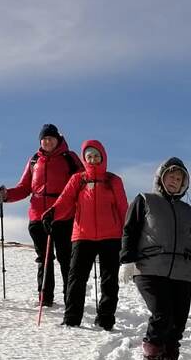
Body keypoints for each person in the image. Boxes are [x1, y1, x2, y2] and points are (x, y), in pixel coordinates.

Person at [120, 157, 191, 360]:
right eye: (171, 176)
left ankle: (168, 359)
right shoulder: (144, 200)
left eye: (179, 179)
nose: (174, 181)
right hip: (150, 268)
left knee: (178, 320)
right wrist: (126, 260)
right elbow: (130, 231)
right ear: (161, 176)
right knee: (162, 314)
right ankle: (151, 359)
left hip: (181, 271)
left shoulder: (187, 210)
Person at [43, 139, 129, 330]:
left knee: (109, 281)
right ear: (84, 158)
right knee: (76, 278)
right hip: (82, 235)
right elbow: (64, 201)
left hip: (111, 236)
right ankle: (72, 318)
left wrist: (127, 235)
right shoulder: (77, 179)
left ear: (103, 157)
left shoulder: (113, 180)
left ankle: (106, 319)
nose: (92, 159)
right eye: (89, 156)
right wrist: (52, 213)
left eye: (96, 156)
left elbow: (123, 208)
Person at [0, 124, 82, 307]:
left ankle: (71, 297)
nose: (47, 141)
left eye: (51, 138)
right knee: (44, 258)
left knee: (66, 257)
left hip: (63, 215)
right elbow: (25, 187)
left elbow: (80, 183)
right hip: (37, 216)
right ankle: (45, 297)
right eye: (44, 139)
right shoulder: (35, 160)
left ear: (58, 140)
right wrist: (7, 195)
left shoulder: (69, 157)